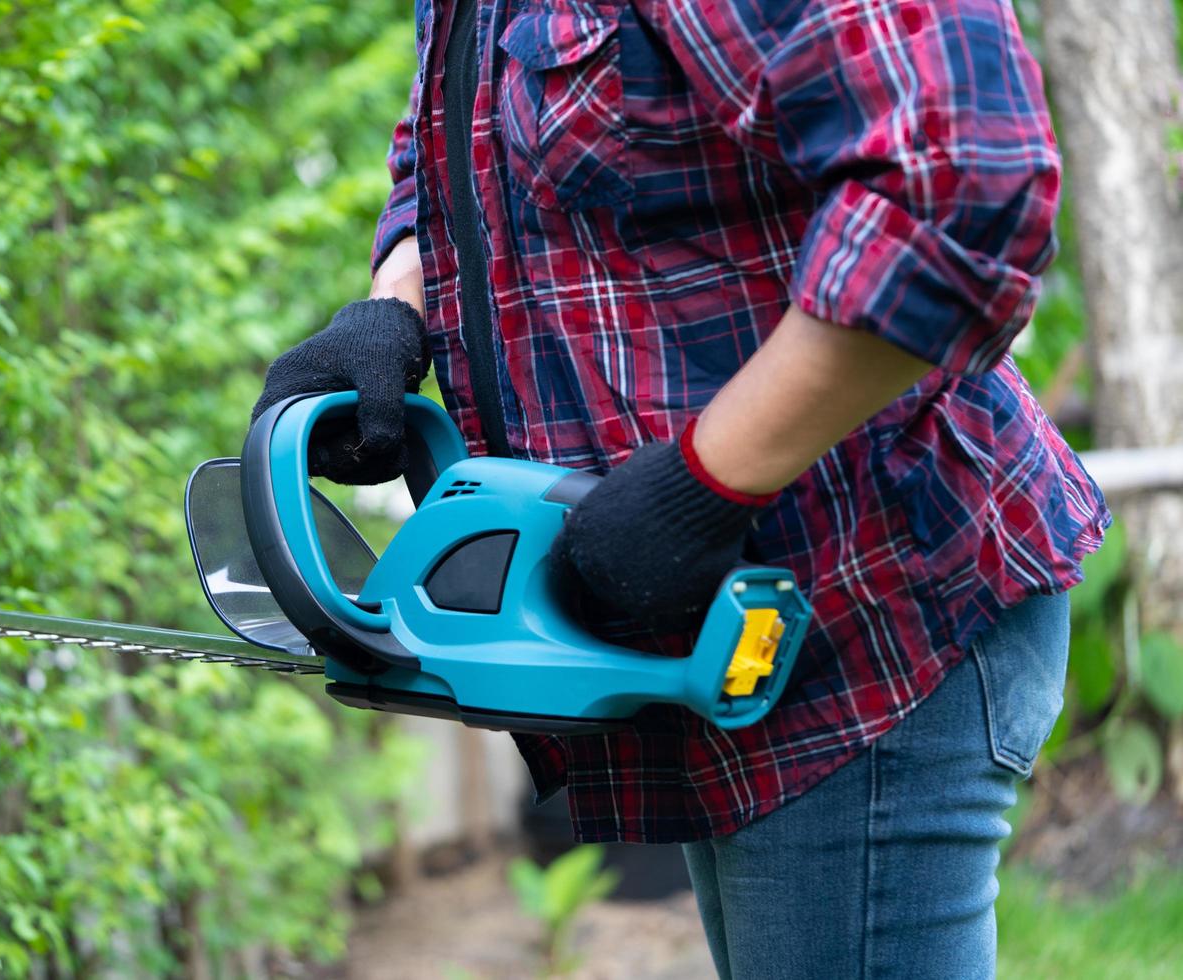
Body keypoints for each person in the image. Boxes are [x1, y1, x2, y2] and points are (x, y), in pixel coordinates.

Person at [252, 1, 1110, 976]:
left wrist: (701, 483)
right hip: (706, 634)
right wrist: (396, 303)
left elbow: (961, 181)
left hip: (854, 613)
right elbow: (459, 129)